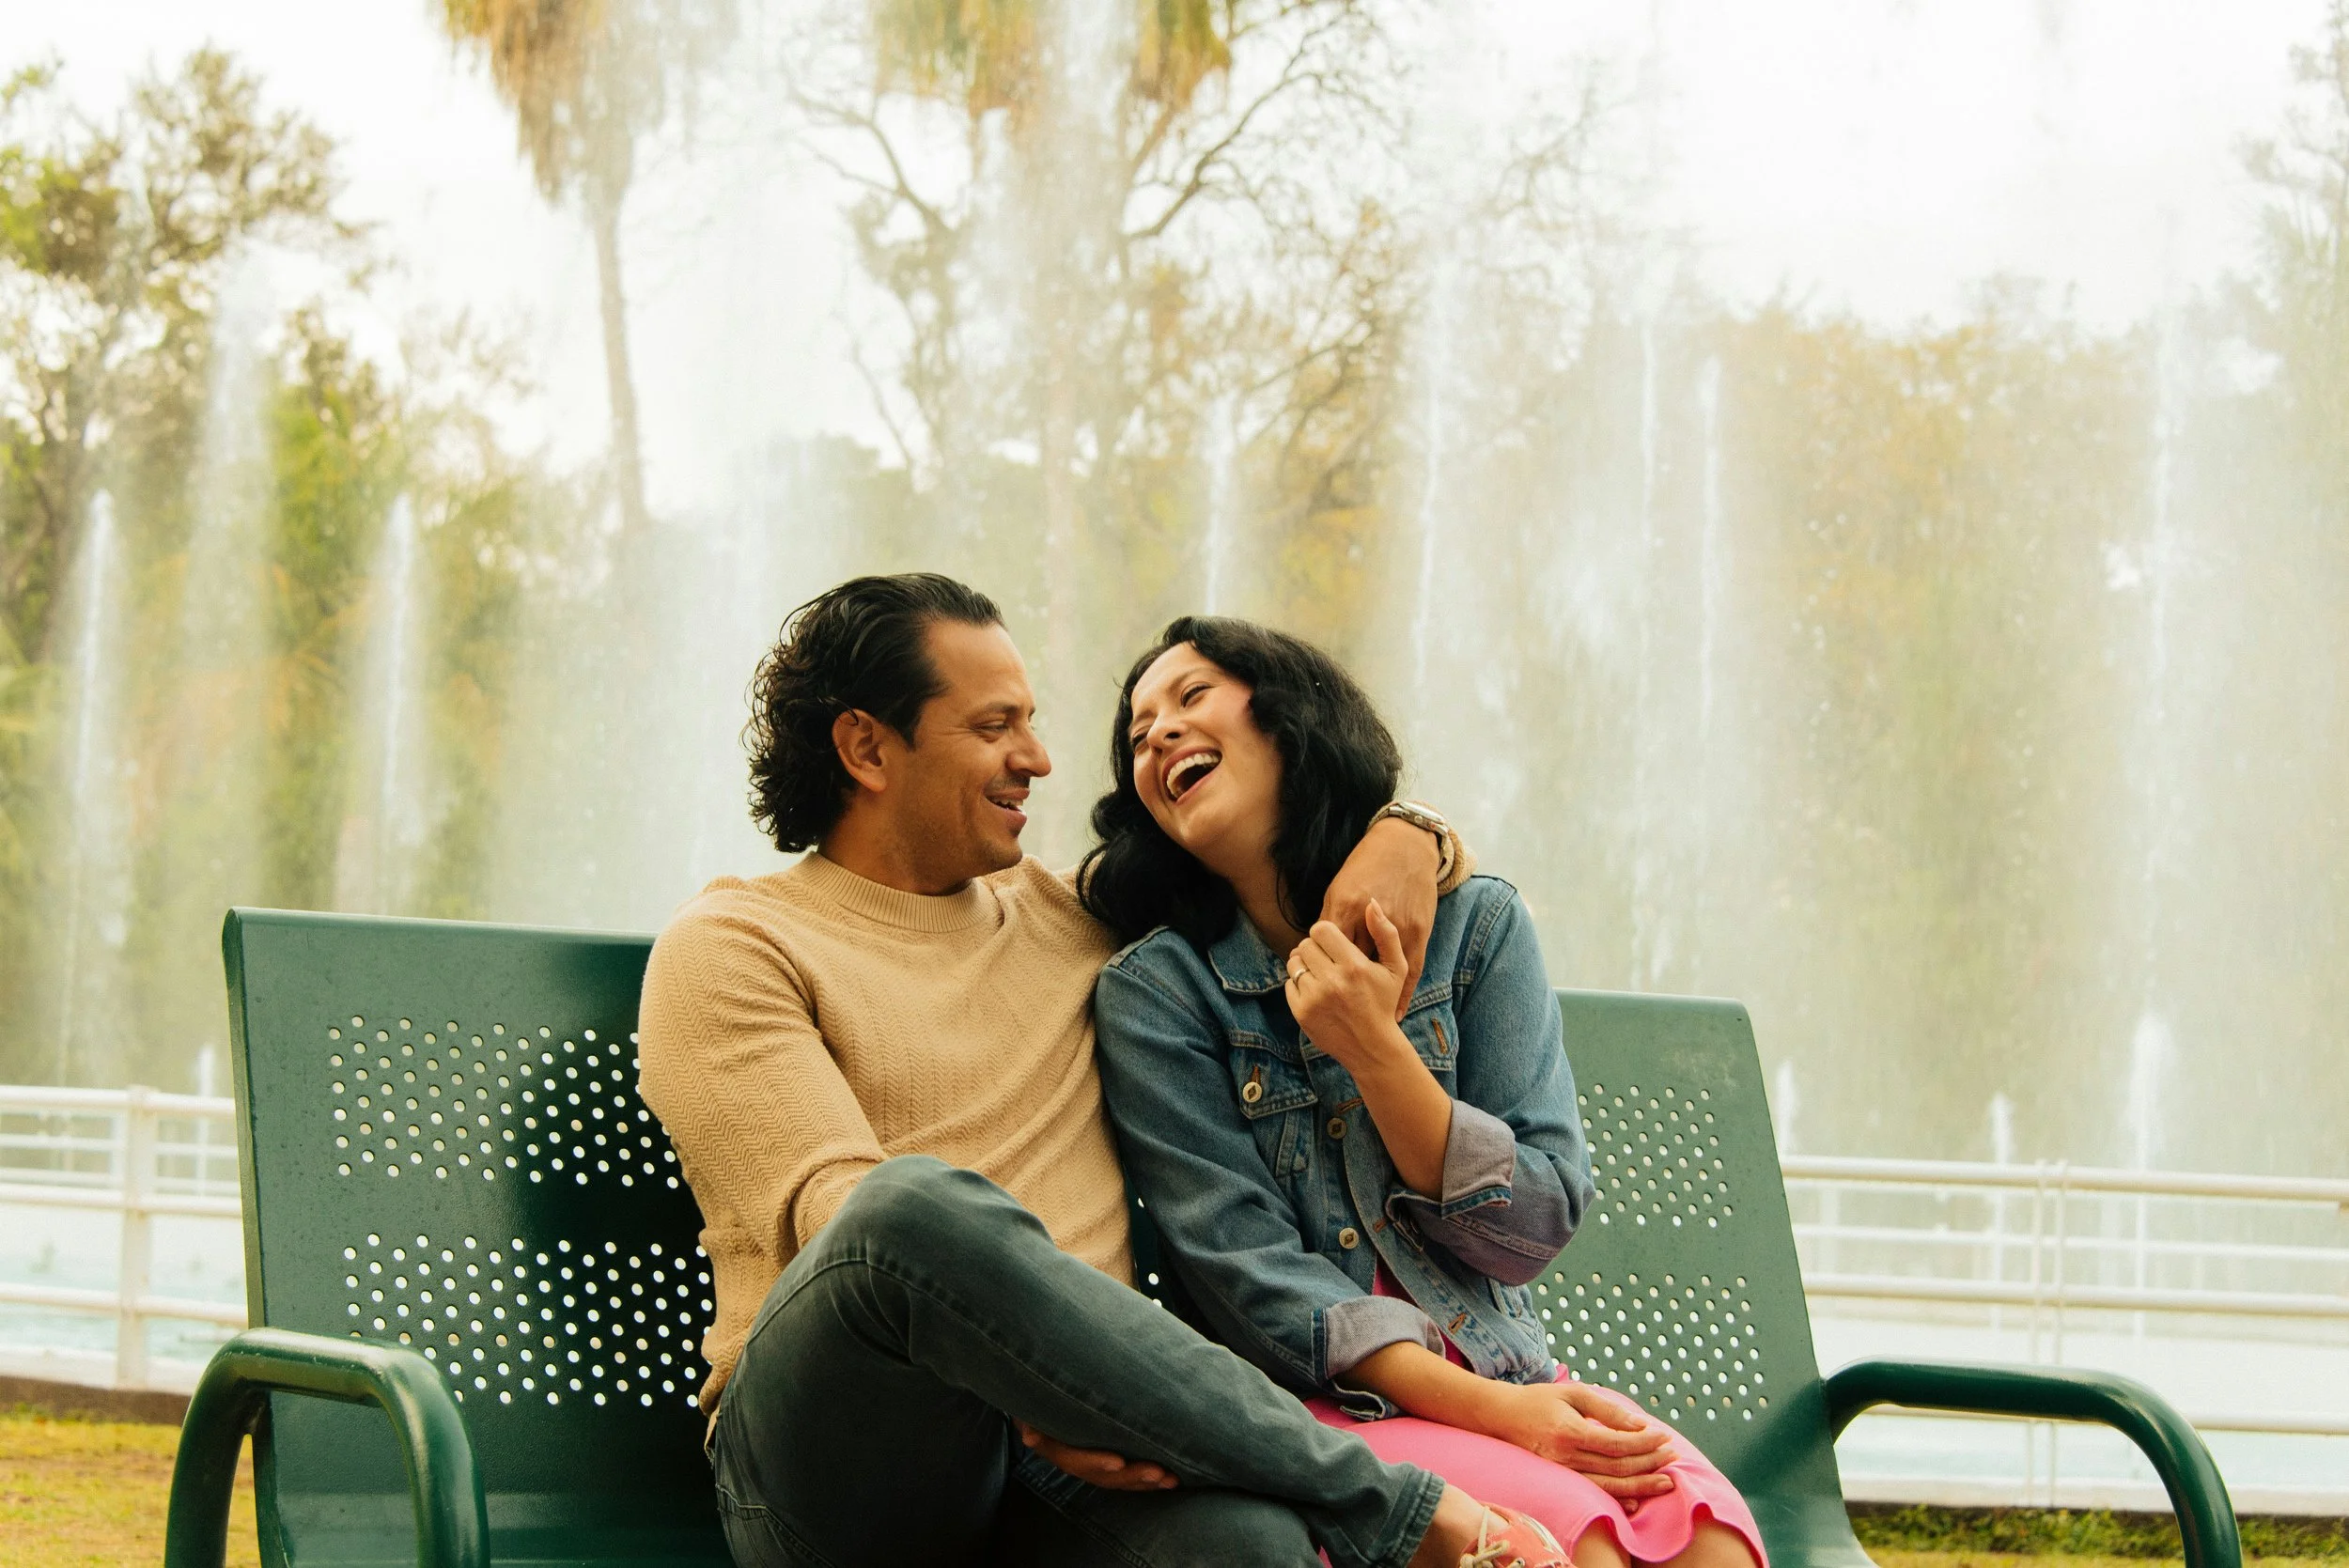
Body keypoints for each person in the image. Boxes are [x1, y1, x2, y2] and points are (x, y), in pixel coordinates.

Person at [639, 574, 1576, 1568]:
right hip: (853, 1466)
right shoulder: (734, 944)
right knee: (903, 1208)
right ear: (866, 747)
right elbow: (842, 1224)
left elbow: (1250, 846)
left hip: (1079, 1457)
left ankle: (1363, 1514)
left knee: (1250, 1548)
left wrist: (1409, 828)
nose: (1038, 760)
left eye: (1032, 724)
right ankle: (1402, 1512)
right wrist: (1032, 1373)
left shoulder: (1072, 916)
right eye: (996, 726)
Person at [1084, 616, 1769, 1568]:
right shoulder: (1156, 995)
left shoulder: (1476, 926)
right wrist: (1510, 1419)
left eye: (1191, 697)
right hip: (1308, 1408)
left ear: (1289, 717)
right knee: (1577, 1550)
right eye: (1137, 732)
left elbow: (1528, 1228)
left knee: (1707, 1545)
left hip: (1504, 1364)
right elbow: (1253, 1281)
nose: (1156, 733)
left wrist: (1375, 1049)